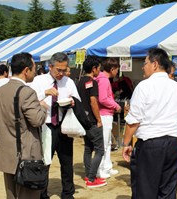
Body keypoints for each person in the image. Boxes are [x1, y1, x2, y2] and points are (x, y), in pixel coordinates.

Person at [122, 48, 177, 199]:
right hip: (173, 143)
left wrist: (126, 143)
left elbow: (133, 120)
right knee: (168, 190)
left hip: (151, 144)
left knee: (145, 190)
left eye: (145, 63)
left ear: (155, 64)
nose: (142, 67)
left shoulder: (144, 86)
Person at [0, 52, 48, 199]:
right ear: (26, 70)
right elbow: (37, 120)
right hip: (26, 154)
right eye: (34, 67)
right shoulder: (27, 92)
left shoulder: (0, 92)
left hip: (7, 153)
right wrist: (43, 106)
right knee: (28, 195)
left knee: (12, 195)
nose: (35, 71)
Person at [31, 52, 80, 199]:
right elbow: (29, 99)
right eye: (58, 70)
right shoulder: (38, 81)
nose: (61, 73)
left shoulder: (68, 82)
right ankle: (42, 194)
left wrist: (72, 101)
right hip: (46, 126)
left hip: (63, 126)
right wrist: (44, 94)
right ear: (50, 66)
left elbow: (77, 100)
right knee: (45, 161)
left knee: (67, 162)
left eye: (64, 70)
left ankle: (67, 193)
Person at [77, 56, 106, 188]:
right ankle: (92, 178)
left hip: (83, 121)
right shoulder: (92, 82)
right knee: (100, 150)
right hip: (92, 121)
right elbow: (93, 101)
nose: (99, 71)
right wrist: (99, 119)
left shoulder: (79, 81)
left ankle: (88, 175)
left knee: (88, 148)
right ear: (93, 68)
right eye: (99, 68)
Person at [95, 58, 121, 178]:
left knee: (108, 142)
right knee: (104, 143)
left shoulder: (102, 79)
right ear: (112, 69)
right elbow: (103, 99)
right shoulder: (104, 80)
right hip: (104, 114)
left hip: (106, 114)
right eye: (117, 69)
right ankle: (100, 169)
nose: (117, 72)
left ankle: (107, 166)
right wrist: (115, 105)